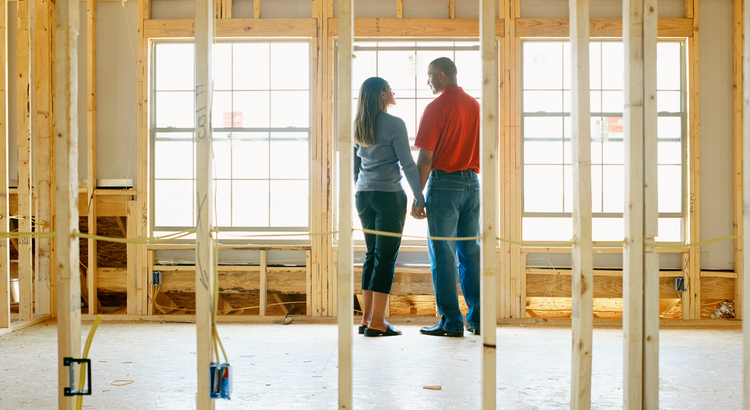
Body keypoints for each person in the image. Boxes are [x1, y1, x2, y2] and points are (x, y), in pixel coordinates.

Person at [411, 57, 481, 338]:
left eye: (429, 76)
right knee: (470, 254)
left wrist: (417, 196)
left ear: (441, 76)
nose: (427, 81)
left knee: (443, 255)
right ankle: (477, 320)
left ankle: (451, 322)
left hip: (444, 185)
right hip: (472, 183)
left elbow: (425, 157)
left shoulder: (435, 107)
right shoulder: (475, 105)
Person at [354, 77, 426, 337]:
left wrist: (362, 186)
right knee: (385, 259)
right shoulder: (395, 124)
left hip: (363, 196)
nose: (393, 92)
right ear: (382, 94)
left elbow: (355, 167)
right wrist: (419, 197)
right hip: (388, 197)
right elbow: (408, 165)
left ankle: (365, 319)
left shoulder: (359, 124)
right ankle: (377, 323)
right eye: (389, 88)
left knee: (371, 255)